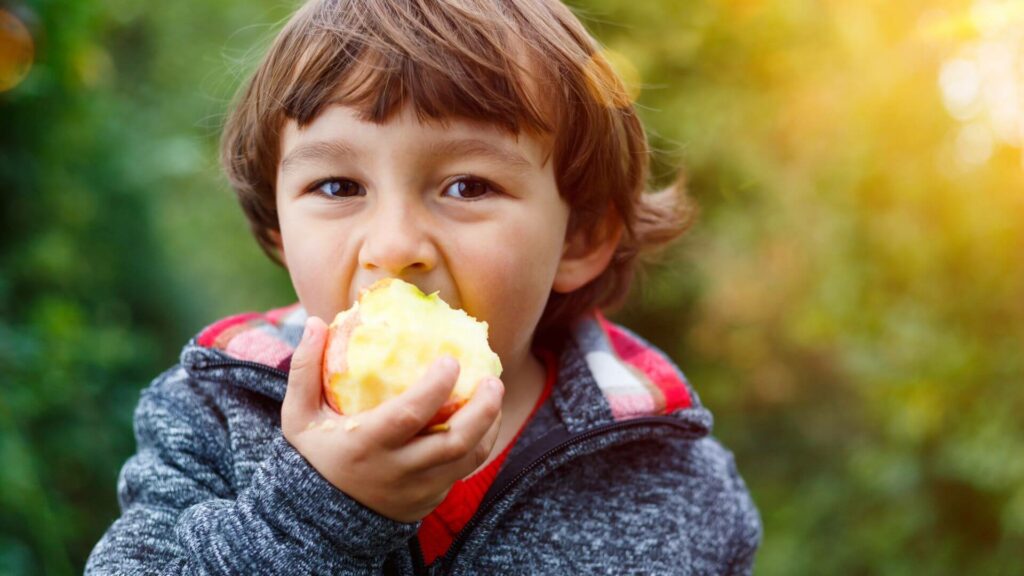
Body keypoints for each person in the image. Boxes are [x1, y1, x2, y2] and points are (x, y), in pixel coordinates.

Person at [86, 0, 761, 573]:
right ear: (281, 232)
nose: (395, 247)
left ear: (578, 238)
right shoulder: (214, 412)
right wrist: (318, 510)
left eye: (467, 186)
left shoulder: (677, 486)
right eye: (339, 186)